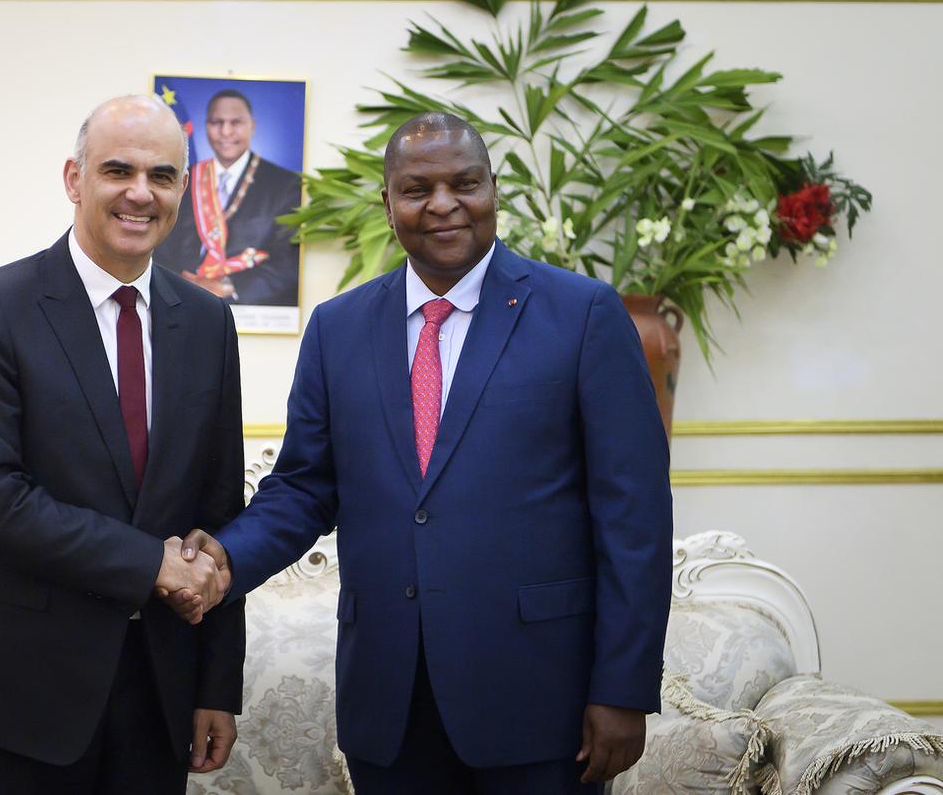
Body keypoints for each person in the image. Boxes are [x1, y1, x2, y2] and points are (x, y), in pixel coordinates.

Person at [175, 113, 672, 794]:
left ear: (495, 189)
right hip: (391, 704)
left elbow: (634, 515)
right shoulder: (338, 329)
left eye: (464, 183)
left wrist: (624, 687)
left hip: (542, 704)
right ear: (388, 203)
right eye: (417, 188)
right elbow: (302, 489)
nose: (443, 204)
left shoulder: (582, 314)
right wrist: (227, 559)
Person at [0, 94, 245, 795]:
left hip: (160, 689)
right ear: (75, 179)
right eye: (117, 170)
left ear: (181, 190)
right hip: (22, 691)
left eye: (161, 176)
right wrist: (150, 566)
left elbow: (219, 510)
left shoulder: (209, 321)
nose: (140, 193)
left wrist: (217, 684)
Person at [153, 88, 302, 307]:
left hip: (251, 306)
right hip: (180, 303)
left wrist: (231, 286)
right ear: (206, 126)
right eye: (216, 122)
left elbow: (290, 261)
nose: (226, 132)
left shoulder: (285, 183)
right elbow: (159, 247)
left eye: (236, 122)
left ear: (252, 125)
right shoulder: (181, 180)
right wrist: (183, 285)